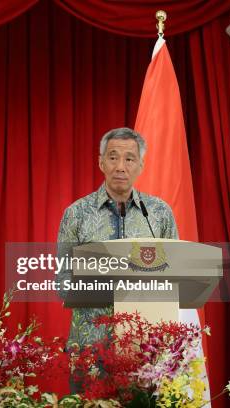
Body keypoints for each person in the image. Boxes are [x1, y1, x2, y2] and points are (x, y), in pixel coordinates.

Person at [56, 127, 178, 388]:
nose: (121, 166)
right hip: (90, 347)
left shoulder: (159, 214)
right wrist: (100, 286)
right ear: (101, 162)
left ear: (141, 165)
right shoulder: (76, 214)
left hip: (145, 348)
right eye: (113, 157)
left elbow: (176, 277)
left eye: (129, 159)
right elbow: (62, 281)